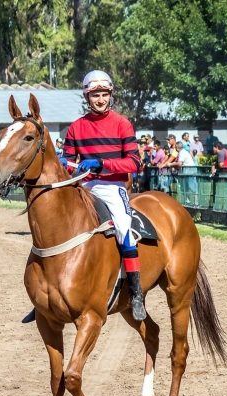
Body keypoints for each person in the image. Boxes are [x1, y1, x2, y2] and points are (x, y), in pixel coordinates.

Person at [61, 70, 146, 320]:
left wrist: (101, 164)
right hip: (83, 186)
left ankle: (136, 293)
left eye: (104, 94)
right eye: (95, 95)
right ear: (87, 97)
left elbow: (133, 163)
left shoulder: (122, 124)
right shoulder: (76, 127)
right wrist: (72, 166)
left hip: (111, 187)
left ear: (110, 95)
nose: (100, 99)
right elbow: (66, 161)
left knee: (123, 228)